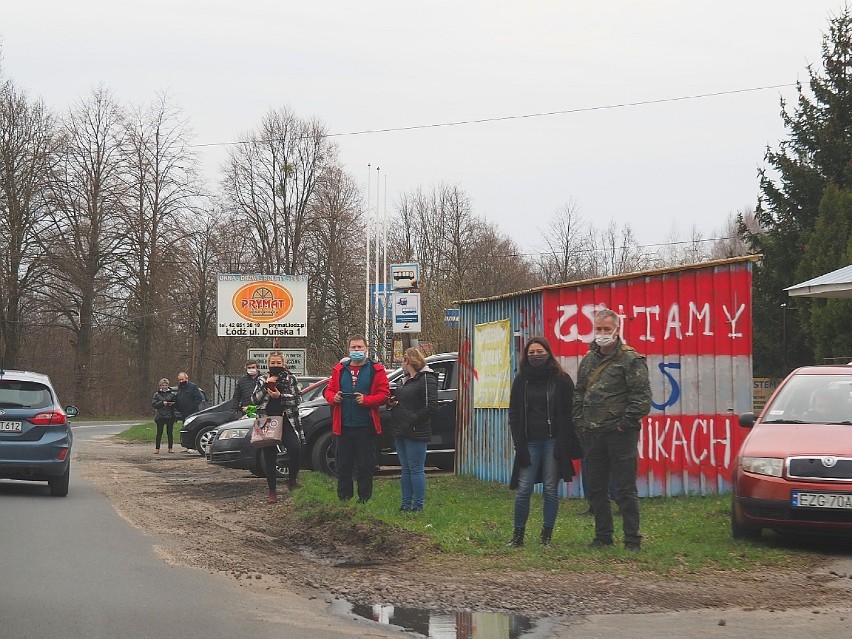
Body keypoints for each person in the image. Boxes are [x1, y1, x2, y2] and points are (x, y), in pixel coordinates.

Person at [573, 308, 651, 552]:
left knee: (625, 489)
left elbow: (641, 398)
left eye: (607, 329)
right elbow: (579, 392)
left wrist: (623, 424)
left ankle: (632, 539)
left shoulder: (631, 359)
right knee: (596, 489)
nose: (602, 333)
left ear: (617, 330)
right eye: (599, 329)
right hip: (592, 434)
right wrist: (579, 421)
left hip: (620, 436)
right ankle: (603, 536)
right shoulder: (588, 360)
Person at [507, 336, 582, 547]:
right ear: (526, 356)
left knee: (550, 488)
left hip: (553, 442)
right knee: (523, 490)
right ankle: (518, 536)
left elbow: (571, 412)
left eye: (539, 352)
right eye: (531, 353)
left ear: (548, 353)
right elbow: (513, 413)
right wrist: (517, 441)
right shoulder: (521, 380)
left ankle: (546, 537)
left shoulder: (561, 379)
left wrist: (566, 439)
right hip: (528, 442)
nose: (536, 356)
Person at [323, 334, 390, 504]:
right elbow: (328, 391)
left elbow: (384, 394)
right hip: (343, 426)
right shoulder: (339, 369)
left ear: (366, 349)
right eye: (353, 347)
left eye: (360, 347)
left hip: (365, 426)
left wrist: (367, 400)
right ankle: (344, 498)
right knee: (343, 465)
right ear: (349, 349)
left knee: (365, 466)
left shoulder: (376, 369)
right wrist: (334, 398)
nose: (357, 350)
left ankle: (364, 499)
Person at [388, 347, 437, 512]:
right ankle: (405, 504)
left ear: (407, 361)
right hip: (401, 429)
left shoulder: (427, 378)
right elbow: (405, 400)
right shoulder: (405, 379)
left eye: (403, 360)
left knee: (416, 468)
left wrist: (412, 421)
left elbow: (431, 406)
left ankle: (418, 505)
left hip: (416, 430)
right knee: (406, 469)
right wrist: (394, 403)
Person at [251, 352, 303, 503]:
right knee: (269, 456)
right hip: (267, 421)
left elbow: (297, 399)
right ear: (268, 364)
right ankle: (272, 490)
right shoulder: (262, 379)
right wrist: (267, 385)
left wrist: (280, 396)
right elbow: (254, 400)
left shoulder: (290, 378)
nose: (275, 365)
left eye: (277, 362)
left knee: (295, 448)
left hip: (286, 419)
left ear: (283, 363)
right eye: (272, 363)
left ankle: (292, 480)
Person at [151, 378, 177, 454]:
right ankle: (157, 448)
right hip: (160, 416)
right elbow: (154, 405)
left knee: (170, 432)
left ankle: (170, 448)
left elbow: (176, 403)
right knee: (159, 432)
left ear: (168, 385)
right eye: (163, 385)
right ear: (160, 386)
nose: (164, 386)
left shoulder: (172, 394)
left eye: (166, 385)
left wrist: (171, 404)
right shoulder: (156, 394)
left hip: (170, 415)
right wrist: (162, 403)